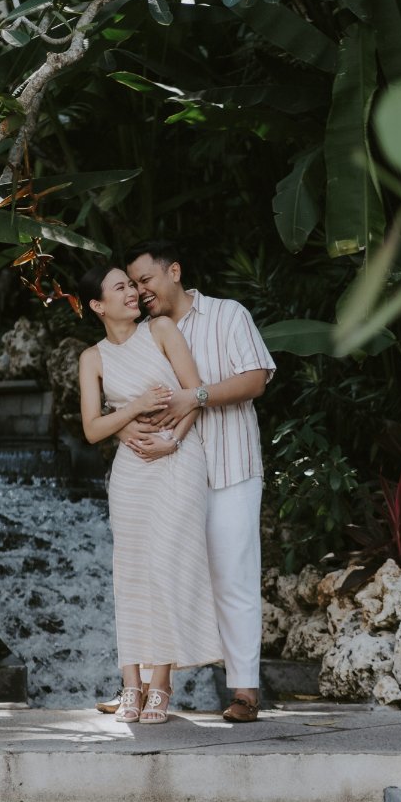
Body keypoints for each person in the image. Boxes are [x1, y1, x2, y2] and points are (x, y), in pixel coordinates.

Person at [121, 242, 276, 724]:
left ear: (174, 271)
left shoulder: (228, 315)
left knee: (233, 578)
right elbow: (123, 398)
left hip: (230, 468)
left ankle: (245, 692)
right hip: (165, 477)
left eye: (145, 280)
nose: (140, 291)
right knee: (157, 577)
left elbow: (256, 380)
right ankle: (143, 690)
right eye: (133, 284)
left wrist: (197, 396)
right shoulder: (143, 334)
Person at [77, 265, 223, 725]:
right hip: (131, 471)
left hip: (178, 459)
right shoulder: (92, 358)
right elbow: (92, 429)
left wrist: (172, 441)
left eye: (132, 284)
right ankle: (131, 683)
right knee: (131, 571)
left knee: (166, 563)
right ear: (98, 305)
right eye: (120, 287)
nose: (132, 293)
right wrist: (134, 411)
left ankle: (161, 682)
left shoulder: (160, 330)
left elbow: (194, 394)